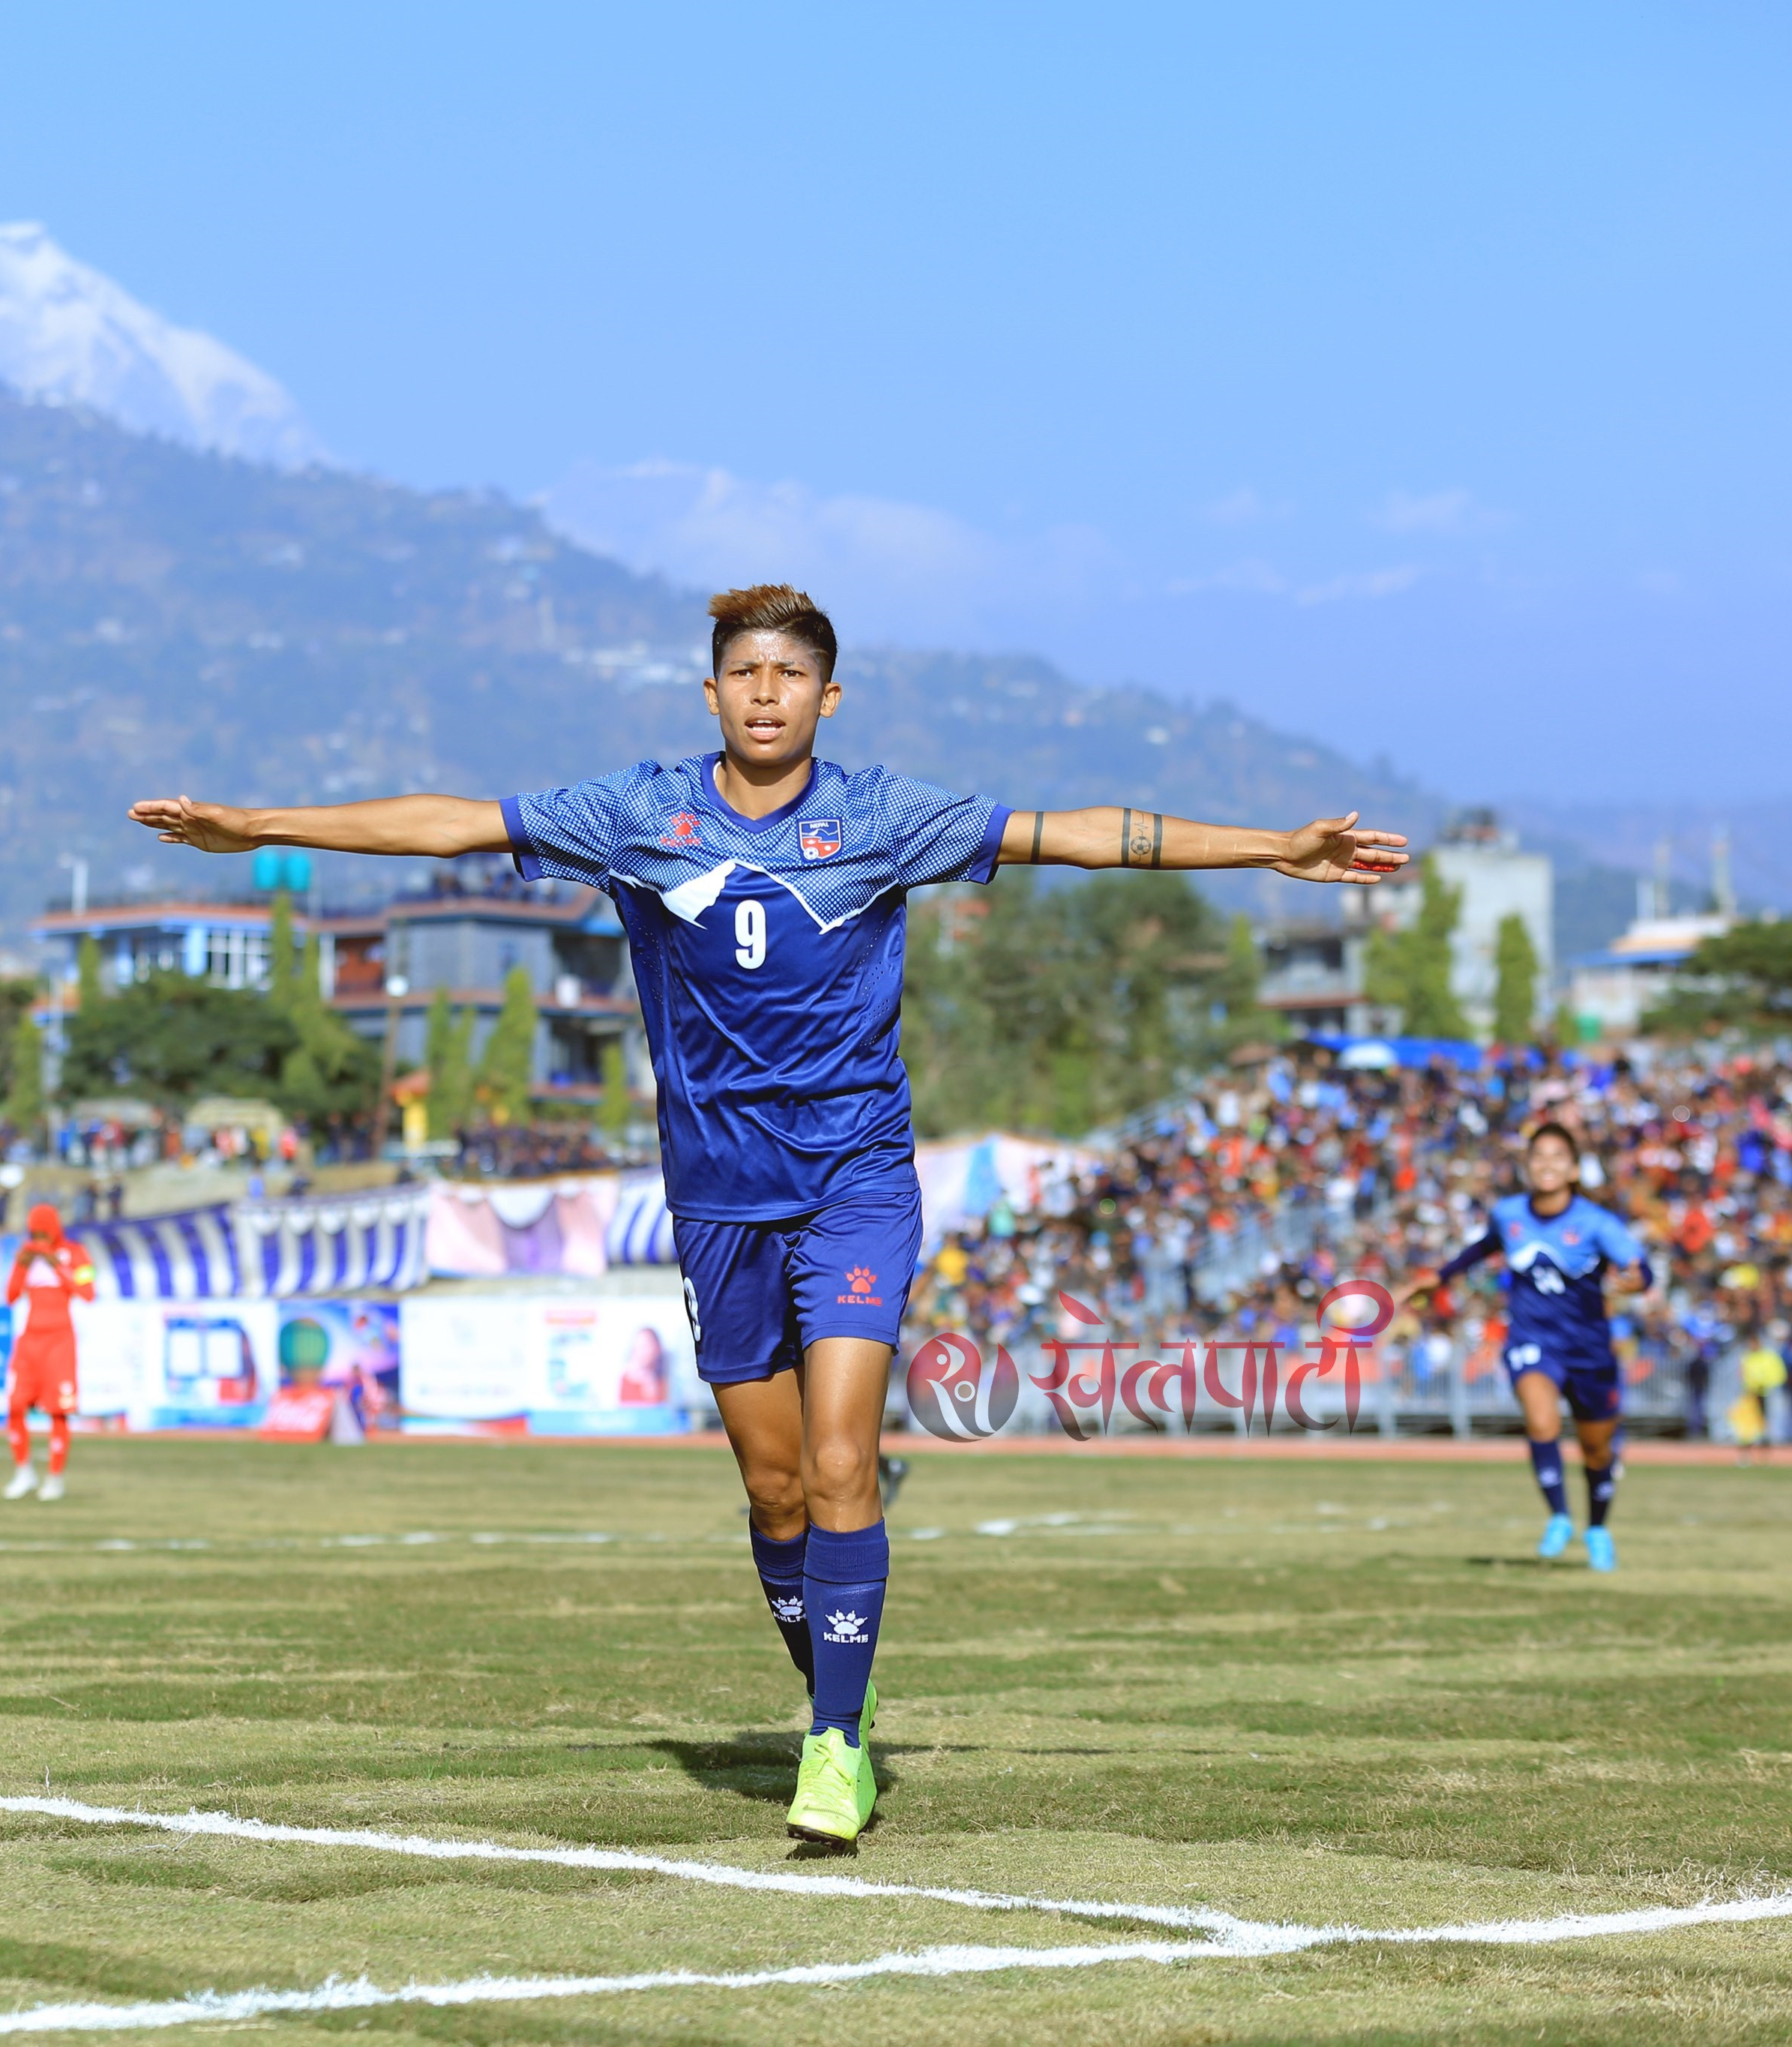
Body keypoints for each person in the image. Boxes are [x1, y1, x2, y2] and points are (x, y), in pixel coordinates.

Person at [130, 581, 1408, 1843]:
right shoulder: (637, 812)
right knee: (779, 1485)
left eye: (789, 675)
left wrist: (1272, 849)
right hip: (717, 1196)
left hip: (855, 1178)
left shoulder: (883, 817)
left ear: (827, 698)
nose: (764, 692)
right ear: (711, 692)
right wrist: (262, 827)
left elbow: (1073, 834)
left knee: (847, 1461)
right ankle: (830, 1697)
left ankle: (837, 1748)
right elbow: (452, 825)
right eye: (745, 672)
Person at [1404, 1123, 1650, 1573]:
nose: (1547, 1165)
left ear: (1574, 1169)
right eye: (1538, 1157)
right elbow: (1484, 1247)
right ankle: (1558, 1516)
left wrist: (1636, 1280)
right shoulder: (1510, 1213)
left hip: (1591, 1349)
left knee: (1597, 1451)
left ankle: (1596, 1528)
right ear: (1527, 1165)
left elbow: (1640, 1269)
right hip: (1533, 1338)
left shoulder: (1597, 1223)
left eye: (1558, 1156)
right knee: (1541, 1419)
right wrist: (1439, 1276)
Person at [4, 1201, 94, 1500]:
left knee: (59, 1411)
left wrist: (56, 1262)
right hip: (30, 1340)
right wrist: (23, 1263)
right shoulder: (27, 1256)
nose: (40, 1238)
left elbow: (87, 1292)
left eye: (44, 1232)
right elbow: (11, 1295)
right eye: (35, 1232)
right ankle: (24, 1472)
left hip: (60, 1341)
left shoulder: (76, 1252)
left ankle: (55, 1478)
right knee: (15, 1405)